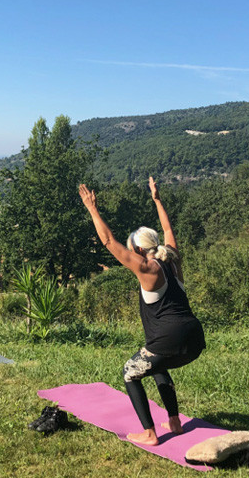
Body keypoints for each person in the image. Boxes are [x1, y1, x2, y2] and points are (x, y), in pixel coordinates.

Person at [79, 177, 206, 446]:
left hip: (170, 339)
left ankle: (150, 433)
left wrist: (92, 208)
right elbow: (168, 228)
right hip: (194, 339)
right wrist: (157, 199)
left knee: (129, 371)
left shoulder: (148, 269)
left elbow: (108, 241)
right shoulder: (172, 259)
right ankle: (174, 421)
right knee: (156, 365)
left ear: (138, 250)